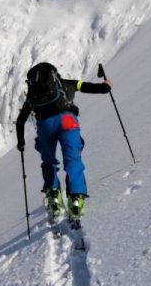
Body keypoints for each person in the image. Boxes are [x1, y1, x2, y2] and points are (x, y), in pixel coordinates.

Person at [15, 62, 113, 226]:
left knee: (48, 162)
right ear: (55, 75)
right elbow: (90, 87)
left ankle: (53, 199)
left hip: (45, 125)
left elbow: (20, 120)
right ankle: (76, 201)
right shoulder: (67, 84)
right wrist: (106, 86)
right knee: (73, 159)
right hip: (68, 120)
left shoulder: (34, 95)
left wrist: (21, 143)